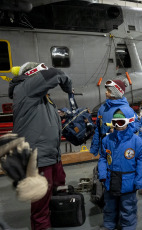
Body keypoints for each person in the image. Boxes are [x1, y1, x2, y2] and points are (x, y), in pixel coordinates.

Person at [8, 62, 73, 230]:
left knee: (58, 190)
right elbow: (55, 73)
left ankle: (56, 220)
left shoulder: (41, 96)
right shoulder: (25, 88)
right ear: (33, 75)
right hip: (38, 158)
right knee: (41, 204)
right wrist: (68, 89)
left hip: (51, 155)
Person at [98, 107, 142, 230]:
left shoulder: (137, 142)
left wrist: (139, 180)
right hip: (111, 180)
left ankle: (128, 227)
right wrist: (103, 174)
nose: (118, 126)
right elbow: (103, 158)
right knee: (109, 207)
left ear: (129, 122)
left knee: (128, 208)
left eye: (121, 122)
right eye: (115, 123)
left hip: (128, 183)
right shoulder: (107, 140)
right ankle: (109, 226)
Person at [90, 79, 129, 156]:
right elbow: (98, 128)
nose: (106, 92)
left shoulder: (125, 109)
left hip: (119, 147)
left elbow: (134, 126)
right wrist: (94, 148)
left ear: (115, 93)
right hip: (104, 148)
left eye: (109, 90)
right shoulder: (102, 108)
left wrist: (119, 131)